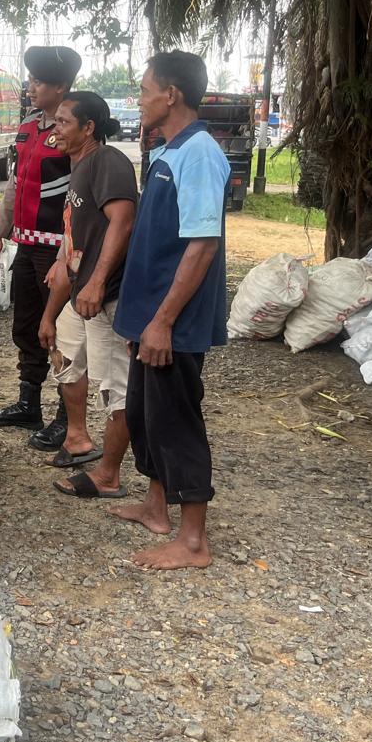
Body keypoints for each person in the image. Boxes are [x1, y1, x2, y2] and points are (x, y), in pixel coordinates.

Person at [110, 51, 229, 570]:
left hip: (173, 320)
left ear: (171, 95)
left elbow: (202, 245)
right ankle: (157, 508)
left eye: (143, 90)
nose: (138, 99)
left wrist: (162, 321)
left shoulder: (199, 152)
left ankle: (193, 541)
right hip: (151, 315)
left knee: (176, 418)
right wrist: (142, 320)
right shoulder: (168, 150)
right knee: (145, 414)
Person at [33, 92, 137, 497]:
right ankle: (78, 438)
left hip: (107, 297)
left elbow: (123, 221)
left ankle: (108, 476)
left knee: (116, 387)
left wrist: (96, 282)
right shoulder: (79, 168)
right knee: (62, 352)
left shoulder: (107, 161)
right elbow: (73, 247)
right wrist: (50, 312)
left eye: (62, 122)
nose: (54, 129)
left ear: (89, 128)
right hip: (81, 293)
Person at [0, 45, 81, 443]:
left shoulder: (73, 129)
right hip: (25, 243)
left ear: (61, 87)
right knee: (26, 325)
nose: (31, 86)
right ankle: (29, 405)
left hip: (56, 248)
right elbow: (14, 184)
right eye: (31, 80)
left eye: (38, 82)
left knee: (58, 328)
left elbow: (81, 192)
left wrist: (69, 252)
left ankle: (67, 416)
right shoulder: (28, 126)